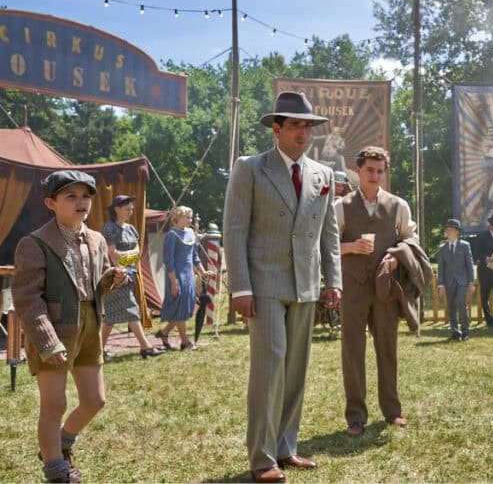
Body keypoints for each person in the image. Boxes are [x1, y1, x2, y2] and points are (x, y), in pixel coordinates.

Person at [223, 91, 342, 483]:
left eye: (307, 125)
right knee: (271, 365)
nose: (303, 132)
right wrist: (240, 287)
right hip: (264, 284)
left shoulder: (323, 175)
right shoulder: (250, 168)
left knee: (295, 369)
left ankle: (286, 447)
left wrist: (333, 281)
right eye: (294, 125)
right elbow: (235, 230)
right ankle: (262, 457)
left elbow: (329, 234)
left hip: (306, 285)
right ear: (276, 129)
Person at [12, 170, 128, 483]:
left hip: (90, 328)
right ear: (51, 203)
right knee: (55, 403)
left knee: (95, 400)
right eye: (71, 196)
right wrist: (48, 342)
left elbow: (96, 282)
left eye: (86, 196)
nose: (81, 202)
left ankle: (61, 443)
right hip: (52, 332)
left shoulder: (97, 239)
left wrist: (111, 279)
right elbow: (27, 299)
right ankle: (56, 470)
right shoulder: (34, 243)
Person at [338, 146, 417, 436]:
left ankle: (392, 411)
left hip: (385, 287)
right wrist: (350, 247)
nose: (375, 176)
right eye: (370, 170)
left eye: (380, 171)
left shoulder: (398, 205)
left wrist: (397, 255)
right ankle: (355, 417)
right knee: (352, 351)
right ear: (358, 170)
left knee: (387, 348)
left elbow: (411, 239)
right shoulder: (340, 206)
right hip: (352, 287)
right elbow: (325, 246)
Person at [99, 195, 163, 359]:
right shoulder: (109, 228)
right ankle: (145, 346)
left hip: (131, 274)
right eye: (127, 208)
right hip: (115, 276)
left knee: (110, 318)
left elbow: (137, 252)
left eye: (132, 208)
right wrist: (128, 256)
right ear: (117, 209)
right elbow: (113, 255)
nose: (131, 210)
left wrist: (125, 255)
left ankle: (97, 350)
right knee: (132, 309)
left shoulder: (131, 229)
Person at [154, 206, 213, 352]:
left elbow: (194, 257)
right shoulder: (171, 235)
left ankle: (164, 333)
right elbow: (169, 261)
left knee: (186, 307)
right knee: (179, 307)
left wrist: (203, 272)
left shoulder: (191, 233)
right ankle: (185, 342)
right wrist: (174, 282)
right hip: (176, 275)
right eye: (187, 216)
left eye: (190, 217)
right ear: (177, 218)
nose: (190, 219)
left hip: (189, 275)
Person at [437, 218, 475, 341]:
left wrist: (471, 282)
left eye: (451, 230)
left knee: (460, 303)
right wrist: (441, 285)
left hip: (462, 281)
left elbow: (469, 264)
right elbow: (441, 267)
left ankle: (465, 331)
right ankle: (455, 331)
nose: (449, 232)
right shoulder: (442, 248)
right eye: (447, 230)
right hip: (448, 282)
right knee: (451, 307)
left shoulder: (465, 246)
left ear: (457, 232)